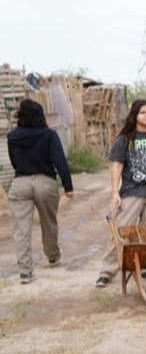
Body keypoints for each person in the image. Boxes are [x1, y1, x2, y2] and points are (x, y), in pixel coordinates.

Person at [94, 99, 146, 287]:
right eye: (143, 112)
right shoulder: (125, 139)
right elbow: (117, 165)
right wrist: (115, 193)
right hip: (131, 192)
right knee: (121, 231)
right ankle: (107, 271)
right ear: (135, 115)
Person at [6, 98, 74, 284]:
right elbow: (60, 161)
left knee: (21, 229)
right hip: (45, 183)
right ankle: (52, 256)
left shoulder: (12, 137)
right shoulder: (49, 135)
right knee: (48, 222)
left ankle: (25, 271)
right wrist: (68, 186)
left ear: (20, 115)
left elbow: (14, 161)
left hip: (20, 183)